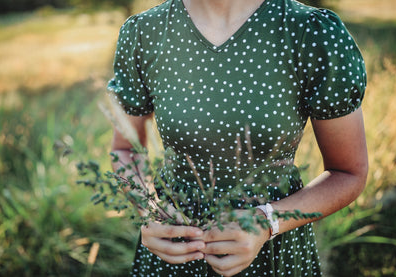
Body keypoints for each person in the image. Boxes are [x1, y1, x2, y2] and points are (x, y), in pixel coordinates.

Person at [107, 0, 368, 275]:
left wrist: (267, 221)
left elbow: (348, 172)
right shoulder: (145, 32)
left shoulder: (310, 32)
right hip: (172, 256)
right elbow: (125, 149)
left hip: (273, 254)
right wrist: (149, 210)